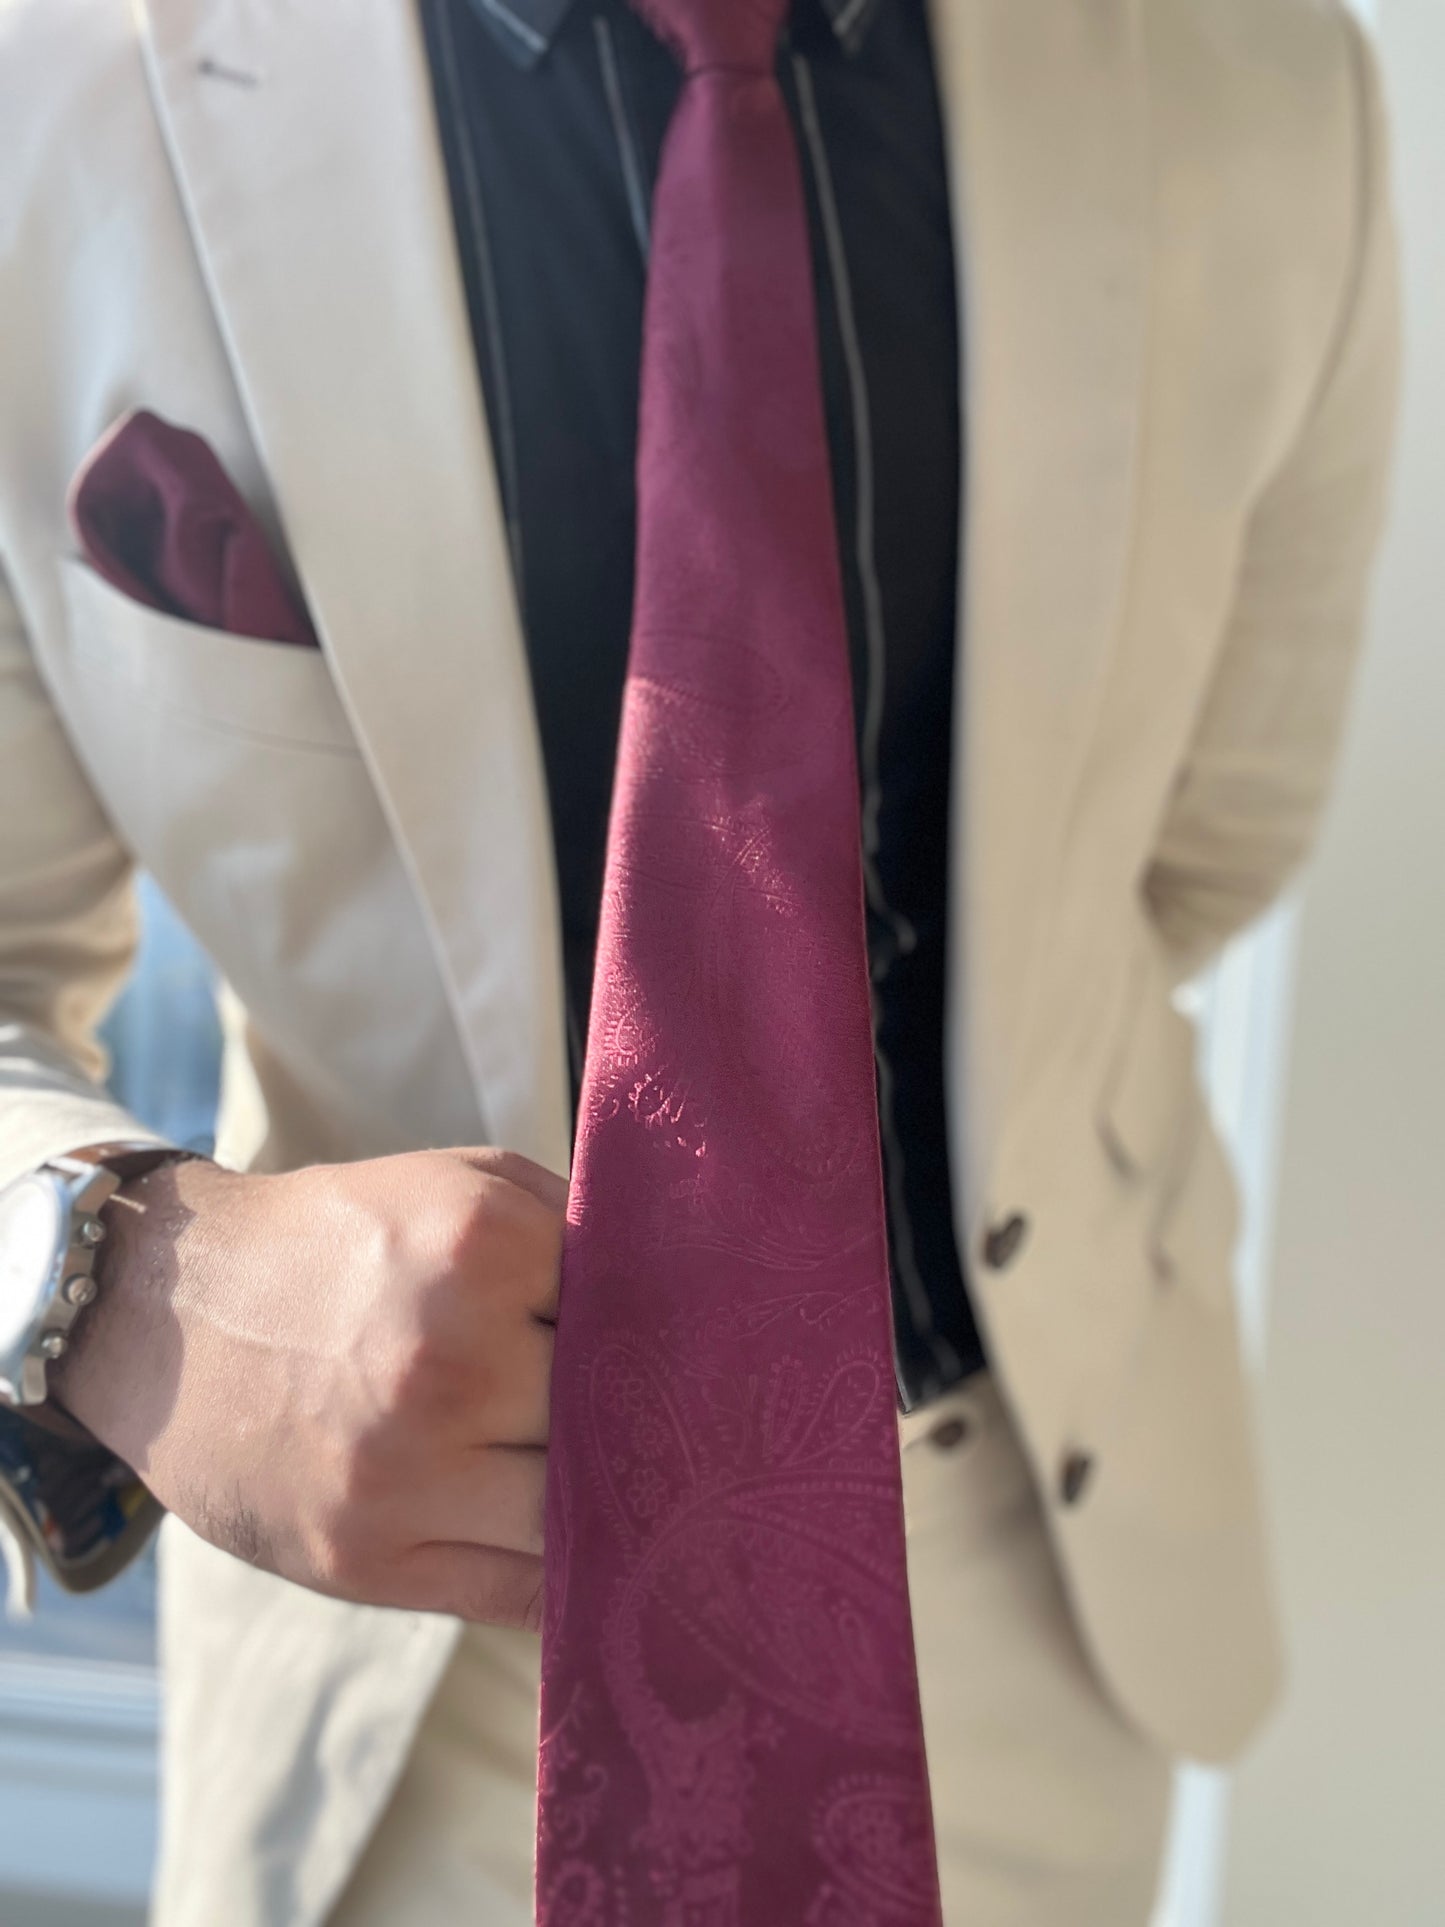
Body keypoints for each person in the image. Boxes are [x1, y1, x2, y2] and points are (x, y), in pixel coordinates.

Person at [0, 0, 1398, 1921]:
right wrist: (137, 1286)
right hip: (413, 1666)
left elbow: (1200, 848)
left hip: (1038, 1619)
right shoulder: (47, 92)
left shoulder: (1262, 81)